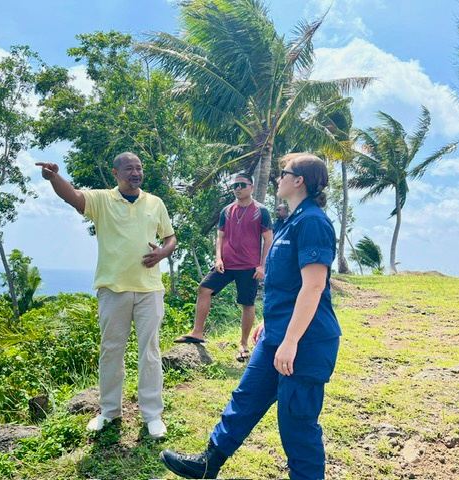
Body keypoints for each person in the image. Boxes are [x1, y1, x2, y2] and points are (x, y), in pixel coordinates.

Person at [160, 153, 341, 479]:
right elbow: (288, 285)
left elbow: (313, 287)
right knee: (245, 400)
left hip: (305, 343)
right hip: (279, 335)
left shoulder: (313, 221)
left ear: (299, 181)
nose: (278, 178)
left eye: (283, 173)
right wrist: (270, 324)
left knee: (297, 426)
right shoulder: (292, 221)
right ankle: (208, 464)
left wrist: (290, 339)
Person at [36, 152, 177, 440]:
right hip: (113, 290)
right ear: (116, 173)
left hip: (149, 290)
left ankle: (152, 415)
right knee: (111, 351)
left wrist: (163, 252)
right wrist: (54, 178)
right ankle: (109, 411)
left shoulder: (155, 203)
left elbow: (170, 237)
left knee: (149, 352)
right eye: (129, 168)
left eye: (139, 167)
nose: (135, 172)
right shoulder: (102, 199)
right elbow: (73, 197)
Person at [174, 172, 273, 362]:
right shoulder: (227, 211)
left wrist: (262, 266)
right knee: (204, 289)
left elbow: (268, 238)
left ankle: (243, 344)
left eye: (242, 185)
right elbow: (220, 237)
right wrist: (218, 259)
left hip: (249, 267)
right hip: (226, 264)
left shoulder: (261, 211)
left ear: (251, 187)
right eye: (235, 185)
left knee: (247, 304)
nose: (238, 188)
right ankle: (198, 332)